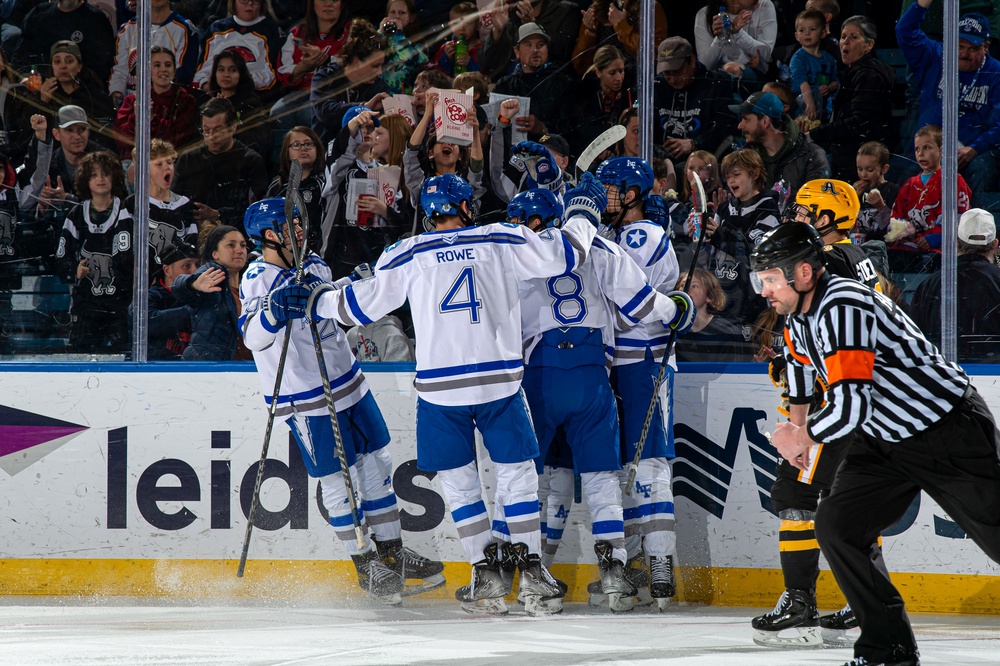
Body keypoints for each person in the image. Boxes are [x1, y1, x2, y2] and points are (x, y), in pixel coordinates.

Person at [298, 172, 604, 615]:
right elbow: (567, 255)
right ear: (467, 208)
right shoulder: (502, 238)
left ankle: (484, 576)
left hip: (441, 391)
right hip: (500, 382)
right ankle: (532, 573)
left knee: (461, 485)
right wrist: (582, 215)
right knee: (516, 474)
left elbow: (357, 308)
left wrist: (317, 298)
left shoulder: (407, 252)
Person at [755, 221, 1000, 666]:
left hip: (947, 430)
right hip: (884, 438)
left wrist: (802, 435)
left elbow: (850, 404)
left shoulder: (843, 305)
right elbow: (807, 385)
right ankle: (888, 648)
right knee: (839, 526)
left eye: (771, 278)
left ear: (804, 273)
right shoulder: (798, 318)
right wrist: (797, 438)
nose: (764, 290)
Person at [238, 197, 444, 604]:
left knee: (377, 464)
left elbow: (329, 309)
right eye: (289, 224)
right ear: (267, 236)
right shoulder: (258, 278)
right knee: (338, 480)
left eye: (299, 221)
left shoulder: (313, 263)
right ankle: (366, 565)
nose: (299, 229)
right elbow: (252, 336)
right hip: (306, 397)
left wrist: (351, 286)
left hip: (349, 382)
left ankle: (392, 553)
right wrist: (275, 309)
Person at [509, 187, 695, 613]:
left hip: (537, 376)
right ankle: (614, 578)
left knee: (524, 478)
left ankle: (522, 579)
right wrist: (676, 308)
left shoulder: (513, 256)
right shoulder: (601, 246)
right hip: (593, 376)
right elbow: (641, 303)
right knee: (602, 480)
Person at [750, 179, 881, 648]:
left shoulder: (827, 266)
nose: (798, 216)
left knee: (794, 496)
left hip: (842, 403)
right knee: (852, 500)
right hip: (860, 402)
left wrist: (802, 424)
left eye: (807, 211)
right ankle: (862, 602)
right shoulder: (855, 259)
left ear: (829, 218)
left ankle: (801, 602)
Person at [595, 156, 682, 612]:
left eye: (611, 189)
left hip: (643, 363)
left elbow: (628, 301)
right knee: (618, 469)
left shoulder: (642, 234)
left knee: (649, 462)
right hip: (616, 365)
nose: (606, 196)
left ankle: (661, 564)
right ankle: (630, 567)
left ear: (632, 192)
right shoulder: (616, 235)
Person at [896, 1, 1000, 193]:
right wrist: (921, 5)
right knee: (901, 171)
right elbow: (904, 31)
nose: (963, 54)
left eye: (972, 48)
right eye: (959, 46)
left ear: (986, 46)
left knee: (983, 170)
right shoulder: (937, 55)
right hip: (930, 147)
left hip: (972, 151)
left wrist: (974, 148)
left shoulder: (996, 73)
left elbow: (998, 125)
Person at [54, 152, 133, 355]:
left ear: (114, 177)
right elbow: (62, 257)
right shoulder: (76, 215)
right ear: (85, 180)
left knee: (125, 357)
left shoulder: (127, 212)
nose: (100, 179)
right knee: (78, 355)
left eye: (105, 173)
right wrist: (74, 270)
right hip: (86, 304)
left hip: (120, 304)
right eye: (94, 175)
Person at [808, 15, 894, 182]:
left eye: (854, 37)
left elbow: (859, 123)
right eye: (843, 37)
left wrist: (815, 134)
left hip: (863, 168)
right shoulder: (854, 72)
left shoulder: (868, 75)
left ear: (869, 45)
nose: (845, 42)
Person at [910, 208, 1000, 363]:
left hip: (943, 376)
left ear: (956, 243)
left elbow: (915, 342)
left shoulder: (929, 284)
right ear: (995, 245)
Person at [704, 149, 779, 327]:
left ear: (755, 173)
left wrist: (721, 236)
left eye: (736, 174)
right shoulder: (724, 209)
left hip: (753, 306)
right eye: (728, 176)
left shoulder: (768, 211)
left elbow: (757, 256)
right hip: (721, 300)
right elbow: (710, 254)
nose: (731, 181)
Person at [173, 98, 269, 235]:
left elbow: (257, 209)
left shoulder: (251, 161)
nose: (211, 137)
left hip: (236, 233)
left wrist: (218, 214)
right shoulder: (187, 159)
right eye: (206, 130)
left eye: (218, 130)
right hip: (191, 233)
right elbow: (173, 201)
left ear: (233, 127)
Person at [885, 125, 972, 270]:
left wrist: (934, 238)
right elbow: (897, 215)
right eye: (917, 149)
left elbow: (960, 217)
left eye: (927, 148)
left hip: (940, 250)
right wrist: (901, 232)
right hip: (911, 248)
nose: (920, 154)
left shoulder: (953, 180)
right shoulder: (909, 185)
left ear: (941, 150)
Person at [731, 91, 831, 203]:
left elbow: (814, 206)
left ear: (765, 121)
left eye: (746, 119)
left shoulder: (811, 156)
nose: (740, 126)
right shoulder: (746, 158)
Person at [171, 224, 252, 360]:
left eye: (243, 245)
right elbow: (178, 286)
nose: (239, 250)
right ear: (215, 254)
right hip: (210, 368)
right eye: (231, 245)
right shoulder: (212, 274)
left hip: (246, 369)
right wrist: (194, 284)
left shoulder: (250, 282)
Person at [653, 37, 737, 167]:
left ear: (691, 61)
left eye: (677, 72)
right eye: (666, 73)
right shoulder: (656, 86)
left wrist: (695, 143)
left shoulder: (715, 85)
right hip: (661, 164)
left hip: (704, 163)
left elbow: (725, 126)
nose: (672, 79)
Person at [272, 0, 351, 132]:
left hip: (333, 92)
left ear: (342, 4)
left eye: (334, 0)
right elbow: (283, 73)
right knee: (277, 112)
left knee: (307, 113)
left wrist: (324, 60)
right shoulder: (297, 33)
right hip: (302, 90)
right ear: (312, 4)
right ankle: (286, 151)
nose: (328, 4)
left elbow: (354, 63)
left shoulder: (351, 32)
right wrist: (304, 66)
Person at [310, 19, 390, 145]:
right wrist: (364, 107)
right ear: (357, 61)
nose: (380, 72)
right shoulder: (325, 77)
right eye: (375, 66)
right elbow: (325, 112)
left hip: (365, 154)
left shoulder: (379, 86)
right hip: (326, 152)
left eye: (381, 66)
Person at [491, 23, 574, 141]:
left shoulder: (562, 83)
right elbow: (492, 128)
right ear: (517, 52)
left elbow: (570, 132)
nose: (535, 50)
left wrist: (542, 130)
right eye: (528, 45)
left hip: (548, 153)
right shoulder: (504, 86)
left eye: (541, 45)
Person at [109, 0, 200, 105]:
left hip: (168, 106)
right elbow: (119, 71)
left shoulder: (185, 30)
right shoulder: (127, 29)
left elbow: (182, 76)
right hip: (131, 104)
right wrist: (117, 94)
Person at [114, 46, 198, 160]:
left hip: (170, 163)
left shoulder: (186, 101)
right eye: (157, 65)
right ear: (148, 70)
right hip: (135, 163)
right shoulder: (132, 100)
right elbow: (121, 141)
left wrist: (153, 119)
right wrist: (135, 117)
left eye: (168, 65)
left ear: (174, 71)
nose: (163, 69)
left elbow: (177, 141)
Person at [129, 139, 198, 276]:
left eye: (169, 162)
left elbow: (191, 246)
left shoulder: (183, 204)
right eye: (159, 164)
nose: (167, 168)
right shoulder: (132, 204)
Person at [28, 41, 116, 138]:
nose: (63, 66)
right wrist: (43, 102)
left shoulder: (96, 96)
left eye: (69, 61)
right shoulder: (44, 95)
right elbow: (32, 132)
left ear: (79, 67)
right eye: (57, 61)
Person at [13, 0, 116, 82]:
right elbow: (19, 59)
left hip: (81, 93)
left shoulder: (97, 20)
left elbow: (102, 69)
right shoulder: (37, 15)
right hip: (39, 88)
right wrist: (25, 78)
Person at [194, 0, 283, 94]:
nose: (250, 3)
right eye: (244, 0)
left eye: (255, 0)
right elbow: (202, 70)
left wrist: (238, 84)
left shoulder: (271, 29)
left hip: (252, 93)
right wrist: (208, 86)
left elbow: (271, 74)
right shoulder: (217, 28)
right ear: (233, 3)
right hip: (216, 92)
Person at [478, 0, 582, 78]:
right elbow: (486, 63)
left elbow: (566, 51)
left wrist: (533, 24)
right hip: (511, 86)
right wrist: (497, 31)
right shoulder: (508, 14)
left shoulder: (566, 10)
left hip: (551, 86)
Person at [205, 50, 273, 165]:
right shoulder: (207, 106)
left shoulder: (251, 104)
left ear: (240, 74)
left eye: (232, 70)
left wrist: (227, 115)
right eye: (221, 69)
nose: (226, 74)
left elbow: (258, 142)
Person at [266, 126, 326, 254]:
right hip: (288, 254)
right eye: (296, 145)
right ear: (287, 152)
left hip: (323, 252)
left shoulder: (328, 182)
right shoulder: (278, 187)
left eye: (308, 144)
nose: (303, 148)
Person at [569, 45, 634, 158]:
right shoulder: (582, 96)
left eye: (621, 71)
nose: (619, 78)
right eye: (612, 73)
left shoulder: (630, 94)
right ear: (598, 72)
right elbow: (580, 131)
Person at [674, 268, 751, 362]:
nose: (686, 290)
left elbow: (734, 374)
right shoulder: (671, 330)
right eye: (682, 285)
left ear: (709, 296)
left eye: (694, 286)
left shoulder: (727, 332)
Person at [694, 0, 778, 83]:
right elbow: (705, 66)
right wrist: (721, 37)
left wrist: (737, 33)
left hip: (754, 77)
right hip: (719, 80)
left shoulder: (764, 5)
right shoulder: (704, 15)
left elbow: (765, 54)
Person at [144, 240, 199, 360]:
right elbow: (144, 324)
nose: (194, 271)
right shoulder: (150, 297)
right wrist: (192, 311)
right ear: (167, 270)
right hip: (158, 371)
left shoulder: (203, 295)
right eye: (186, 265)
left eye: (197, 265)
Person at [790, 9, 840, 125]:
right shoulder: (798, 58)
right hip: (803, 110)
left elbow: (835, 82)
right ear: (797, 36)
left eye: (812, 29)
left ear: (823, 33)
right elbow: (802, 82)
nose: (807, 33)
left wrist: (829, 87)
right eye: (802, 30)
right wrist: (810, 104)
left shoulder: (829, 58)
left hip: (825, 111)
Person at [852, 141, 899, 243]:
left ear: (884, 169)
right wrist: (851, 198)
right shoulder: (854, 191)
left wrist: (881, 207)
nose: (863, 175)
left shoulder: (893, 190)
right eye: (860, 169)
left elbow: (896, 231)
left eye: (869, 170)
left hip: (881, 246)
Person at [426, 2, 481, 77]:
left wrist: (470, 63)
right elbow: (434, 76)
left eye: (467, 23)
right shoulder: (446, 48)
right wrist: (446, 58)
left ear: (478, 26)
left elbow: (486, 78)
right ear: (451, 27)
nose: (462, 28)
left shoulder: (482, 49)